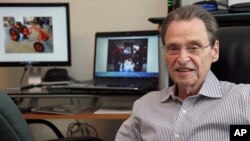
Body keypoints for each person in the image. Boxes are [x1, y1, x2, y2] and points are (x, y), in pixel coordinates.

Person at [115, 5, 250, 141]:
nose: (182, 59)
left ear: (214, 51)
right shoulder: (144, 106)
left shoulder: (244, 100)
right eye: (173, 48)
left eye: (194, 47)